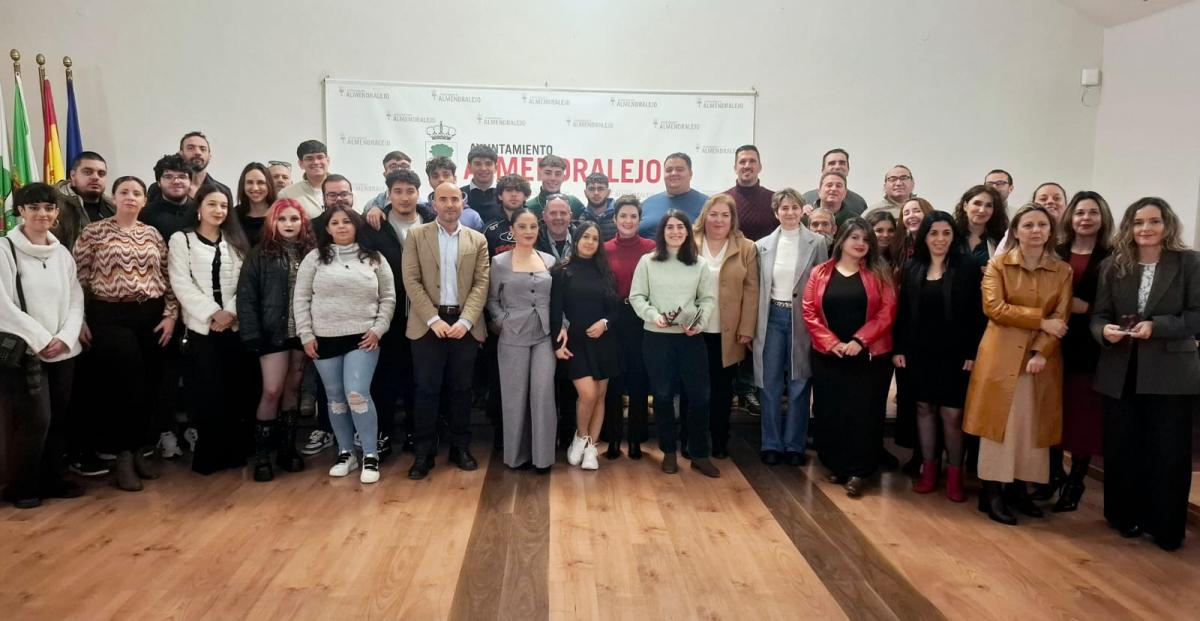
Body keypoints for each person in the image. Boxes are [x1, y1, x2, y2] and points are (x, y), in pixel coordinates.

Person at [1091, 197, 1199, 551]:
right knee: (1123, 447)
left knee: (1169, 451)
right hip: (1121, 368)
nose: (1145, 229)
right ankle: (1125, 517)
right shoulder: (1113, 265)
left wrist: (1159, 326)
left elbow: (1196, 316)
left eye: (1153, 221)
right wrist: (1103, 332)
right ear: (1129, 227)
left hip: (1170, 372)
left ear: (1167, 225)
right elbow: (1098, 315)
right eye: (1138, 222)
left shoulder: (1188, 263)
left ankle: (1165, 526)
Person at [963, 204, 1071, 525]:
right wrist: (1039, 320)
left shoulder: (1062, 271)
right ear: (1017, 230)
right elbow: (994, 307)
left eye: (1042, 225)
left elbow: (1061, 318)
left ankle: (1020, 488)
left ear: (1051, 231)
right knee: (1000, 425)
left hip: (1041, 362)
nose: (1035, 230)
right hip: (1001, 356)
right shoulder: (998, 264)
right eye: (1028, 225)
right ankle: (993, 490)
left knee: (1030, 425)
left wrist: (1041, 351)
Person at [73, 176, 179, 492]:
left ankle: (137, 452)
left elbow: (166, 275)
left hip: (150, 315)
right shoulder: (94, 232)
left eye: (137, 193)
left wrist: (171, 314)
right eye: (124, 192)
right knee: (124, 385)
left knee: (149, 384)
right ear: (114, 197)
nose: (130, 197)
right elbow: (77, 278)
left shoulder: (152, 234)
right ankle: (121, 456)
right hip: (109, 315)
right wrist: (78, 319)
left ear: (145, 200)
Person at [294, 205, 397, 484]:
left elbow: (388, 297)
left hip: (363, 338)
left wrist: (378, 329)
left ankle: (371, 455)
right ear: (327, 228)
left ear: (356, 226)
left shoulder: (374, 258)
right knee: (335, 398)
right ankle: (345, 452)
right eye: (335, 222)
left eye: (346, 222)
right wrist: (306, 335)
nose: (341, 226)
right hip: (324, 338)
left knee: (357, 394)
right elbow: (301, 298)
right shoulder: (314, 259)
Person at [0, 183, 86, 508]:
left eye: (49, 208)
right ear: (20, 211)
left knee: (60, 418)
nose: (43, 214)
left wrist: (64, 338)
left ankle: (54, 478)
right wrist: (42, 339)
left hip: (64, 351)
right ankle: (22, 486)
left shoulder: (61, 252)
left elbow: (76, 297)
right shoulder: (4, 249)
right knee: (36, 419)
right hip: (25, 351)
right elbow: (3, 306)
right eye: (34, 207)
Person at [892, 212, 985, 502]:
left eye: (946, 233)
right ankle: (929, 468)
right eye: (934, 233)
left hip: (956, 355)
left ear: (953, 236)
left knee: (952, 414)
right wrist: (899, 348)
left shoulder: (967, 267)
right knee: (923, 409)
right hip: (919, 352)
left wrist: (972, 352)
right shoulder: (913, 267)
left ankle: (955, 472)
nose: (940, 239)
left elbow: (976, 314)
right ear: (925, 237)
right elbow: (904, 313)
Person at [402, 182, 491, 480]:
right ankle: (423, 454)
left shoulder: (477, 240)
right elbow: (411, 281)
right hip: (427, 326)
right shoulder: (416, 235)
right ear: (434, 203)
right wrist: (433, 319)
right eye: (444, 199)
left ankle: (460, 448)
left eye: (455, 199)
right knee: (426, 391)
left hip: (464, 325)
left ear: (463, 203)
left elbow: (481, 283)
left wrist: (465, 321)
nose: (450, 204)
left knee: (461, 390)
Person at [803, 218, 897, 497]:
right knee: (832, 410)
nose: (860, 244)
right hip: (829, 355)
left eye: (866, 239)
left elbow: (888, 312)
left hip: (868, 356)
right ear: (841, 239)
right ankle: (838, 464)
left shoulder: (881, 272)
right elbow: (809, 312)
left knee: (864, 413)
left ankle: (860, 470)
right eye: (854, 237)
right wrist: (831, 343)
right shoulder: (820, 272)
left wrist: (859, 340)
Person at [167, 184, 254, 475]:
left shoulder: (234, 240)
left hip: (232, 327)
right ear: (200, 206)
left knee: (234, 392)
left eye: (224, 206)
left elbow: (245, 283)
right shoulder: (183, 240)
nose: (219, 210)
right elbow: (181, 282)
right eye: (213, 204)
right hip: (201, 329)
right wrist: (212, 313)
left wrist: (229, 312)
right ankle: (209, 453)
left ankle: (233, 451)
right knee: (206, 393)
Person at [629, 209, 719, 477]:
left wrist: (699, 324)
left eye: (680, 227)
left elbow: (707, 300)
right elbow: (637, 297)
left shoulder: (699, 264)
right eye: (670, 227)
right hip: (657, 340)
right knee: (663, 396)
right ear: (662, 232)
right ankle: (668, 452)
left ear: (687, 232)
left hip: (691, 340)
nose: (676, 232)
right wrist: (653, 316)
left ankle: (699, 454)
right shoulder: (647, 262)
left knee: (700, 397)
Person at [237, 198, 315, 482]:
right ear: (273, 222)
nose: (288, 224)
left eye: (294, 219)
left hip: (302, 333)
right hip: (272, 333)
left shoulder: (312, 252)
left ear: (302, 221)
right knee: (271, 390)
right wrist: (251, 334)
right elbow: (246, 297)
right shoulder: (260, 253)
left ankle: (287, 449)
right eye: (282, 219)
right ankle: (262, 455)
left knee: (292, 390)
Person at [1048, 191, 1114, 512]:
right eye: (1080, 213)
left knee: (1084, 415)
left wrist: (1085, 308)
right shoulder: (1055, 252)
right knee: (1052, 408)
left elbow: (1117, 304)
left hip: (1090, 346)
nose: (1085, 218)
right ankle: (1052, 475)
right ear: (1069, 218)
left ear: (1102, 218)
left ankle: (1076, 480)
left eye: (1092, 213)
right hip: (1051, 342)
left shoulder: (1112, 257)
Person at [752, 188, 828, 466]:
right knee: (769, 384)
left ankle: (795, 444)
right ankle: (771, 443)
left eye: (795, 207)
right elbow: (758, 289)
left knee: (799, 383)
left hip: (802, 321)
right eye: (784, 208)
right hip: (771, 317)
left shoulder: (817, 242)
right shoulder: (761, 245)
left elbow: (822, 285)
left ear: (802, 210)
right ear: (776, 212)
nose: (790, 213)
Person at [359, 169, 427, 458]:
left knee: (418, 378)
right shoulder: (374, 225)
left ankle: (416, 431)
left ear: (418, 193)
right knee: (385, 378)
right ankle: (383, 433)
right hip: (388, 315)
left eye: (410, 191)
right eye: (397, 191)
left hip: (424, 314)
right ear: (389, 194)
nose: (404, 197)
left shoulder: (431, 220)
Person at [487, 209, 558, 471]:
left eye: (533, 226)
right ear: (513, 230)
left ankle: (543, 458)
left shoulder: (550, 261)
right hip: (512, 334)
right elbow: (491, 298)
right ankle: (516, 456)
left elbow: (559, 298)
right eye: (523, 226)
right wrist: (501, 321)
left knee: (543, 393)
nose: (529, 231)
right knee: (514, 395)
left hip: (544, 334)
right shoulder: (500, 262)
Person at [690, 194, 758, 459]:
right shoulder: (690, 242)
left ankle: (719, 440)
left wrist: (747, 328)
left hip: (727, 334)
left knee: (721, 392)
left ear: (733, 219)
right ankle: (691, 439)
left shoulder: (746, 247)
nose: (718, 220)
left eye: (725, 215)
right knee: (693, 390)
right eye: (714, 214)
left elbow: (752, 290)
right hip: (693, 331)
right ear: (704, 216)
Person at [553, 221, 624, 470]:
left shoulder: (606, 273)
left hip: (604, 342)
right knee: (588, 394)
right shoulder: (562, 271)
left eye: (595, 238)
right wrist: (557, 339)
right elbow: (555, 310)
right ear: (577, 239)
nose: (590, 242)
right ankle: (580, 437)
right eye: (585, 237)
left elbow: (615, 311)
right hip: (576, 343)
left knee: (601, 396)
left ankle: (592, 447)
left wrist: (605, 323)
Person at [601, 196, 657, 459]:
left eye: (633, 216)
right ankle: (612, 439)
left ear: (639, 219)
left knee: (638, 380)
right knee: (614, 380)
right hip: (613, 318)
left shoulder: (652, 248)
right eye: (623, 215)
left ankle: (636, 439)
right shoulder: (604, 249)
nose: (628, 221)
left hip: (641, 318)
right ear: (614, 219)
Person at [50, 151, 114, 251]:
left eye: (101, 174)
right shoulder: (53, 204)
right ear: (73, 175)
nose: (95, 177)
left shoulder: (114, 207)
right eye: (88, 172)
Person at [147, 131, 232, 202]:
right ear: (180, 154)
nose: (198, 152)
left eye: (203, 149)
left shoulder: (222, 191)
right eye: (191, 148)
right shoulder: (158, 188)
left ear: (209, 156)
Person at [638, 153, 709, 237]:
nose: (673, 173)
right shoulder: (646, 204)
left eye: (679, 169)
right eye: (669, 170)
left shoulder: (708, 205)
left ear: (690, 173)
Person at [724, 145, 775, 241]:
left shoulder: (774, 199)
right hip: (732, 255)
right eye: (742, 162)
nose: (747, 166)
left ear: (760, 167)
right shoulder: (723, 200)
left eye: (752, 161)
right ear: (735, 168)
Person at [953, 185, 1008, 268]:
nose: (982, 210)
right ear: (965, 206)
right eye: (977, 203)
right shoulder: (951, 235)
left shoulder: (1001, 240)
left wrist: (995, 273)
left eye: (988, 205)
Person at [802, 149, 868, 217]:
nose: (837, 167)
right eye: (832, 163)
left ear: (848, 169)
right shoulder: (806, 199)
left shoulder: (859, 203)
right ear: (823, 170)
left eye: (842, 163)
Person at [277, 140, 330, 219]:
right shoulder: (287, 194)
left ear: (328, 160)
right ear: (301, 164)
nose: (315, 162)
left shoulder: (344, 189)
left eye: (320, 157)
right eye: (309, 158)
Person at [235, 162, 278, 246]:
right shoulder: (234, 215)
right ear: (243, 185)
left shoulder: (280, 213)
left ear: (269, 184)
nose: (255, 188)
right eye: (250, 182)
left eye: (261, 182)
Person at [463, 145, 501, 224]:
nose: (483, 168)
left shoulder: (505, 194)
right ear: (469, 167)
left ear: (496, 167)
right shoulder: (460, 195)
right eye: (478, 164)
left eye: (488, 164)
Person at [580, 172, 617, 242]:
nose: (596, 193)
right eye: (591, 189)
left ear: (608, 192)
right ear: (585, 193)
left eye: (600, 189)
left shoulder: (619, 217)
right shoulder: (580, 220)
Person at [538, 195, 576, 262]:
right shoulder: (533, 242)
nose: (558, 217)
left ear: (570, 216)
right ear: (544, 216)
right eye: (553, 213)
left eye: (563, 213)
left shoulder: (581, 240)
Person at [896, 197, 934, 263]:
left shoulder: (938, 242)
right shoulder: (901, 247)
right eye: (906, 213)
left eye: (917, 211)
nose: (911, 216)